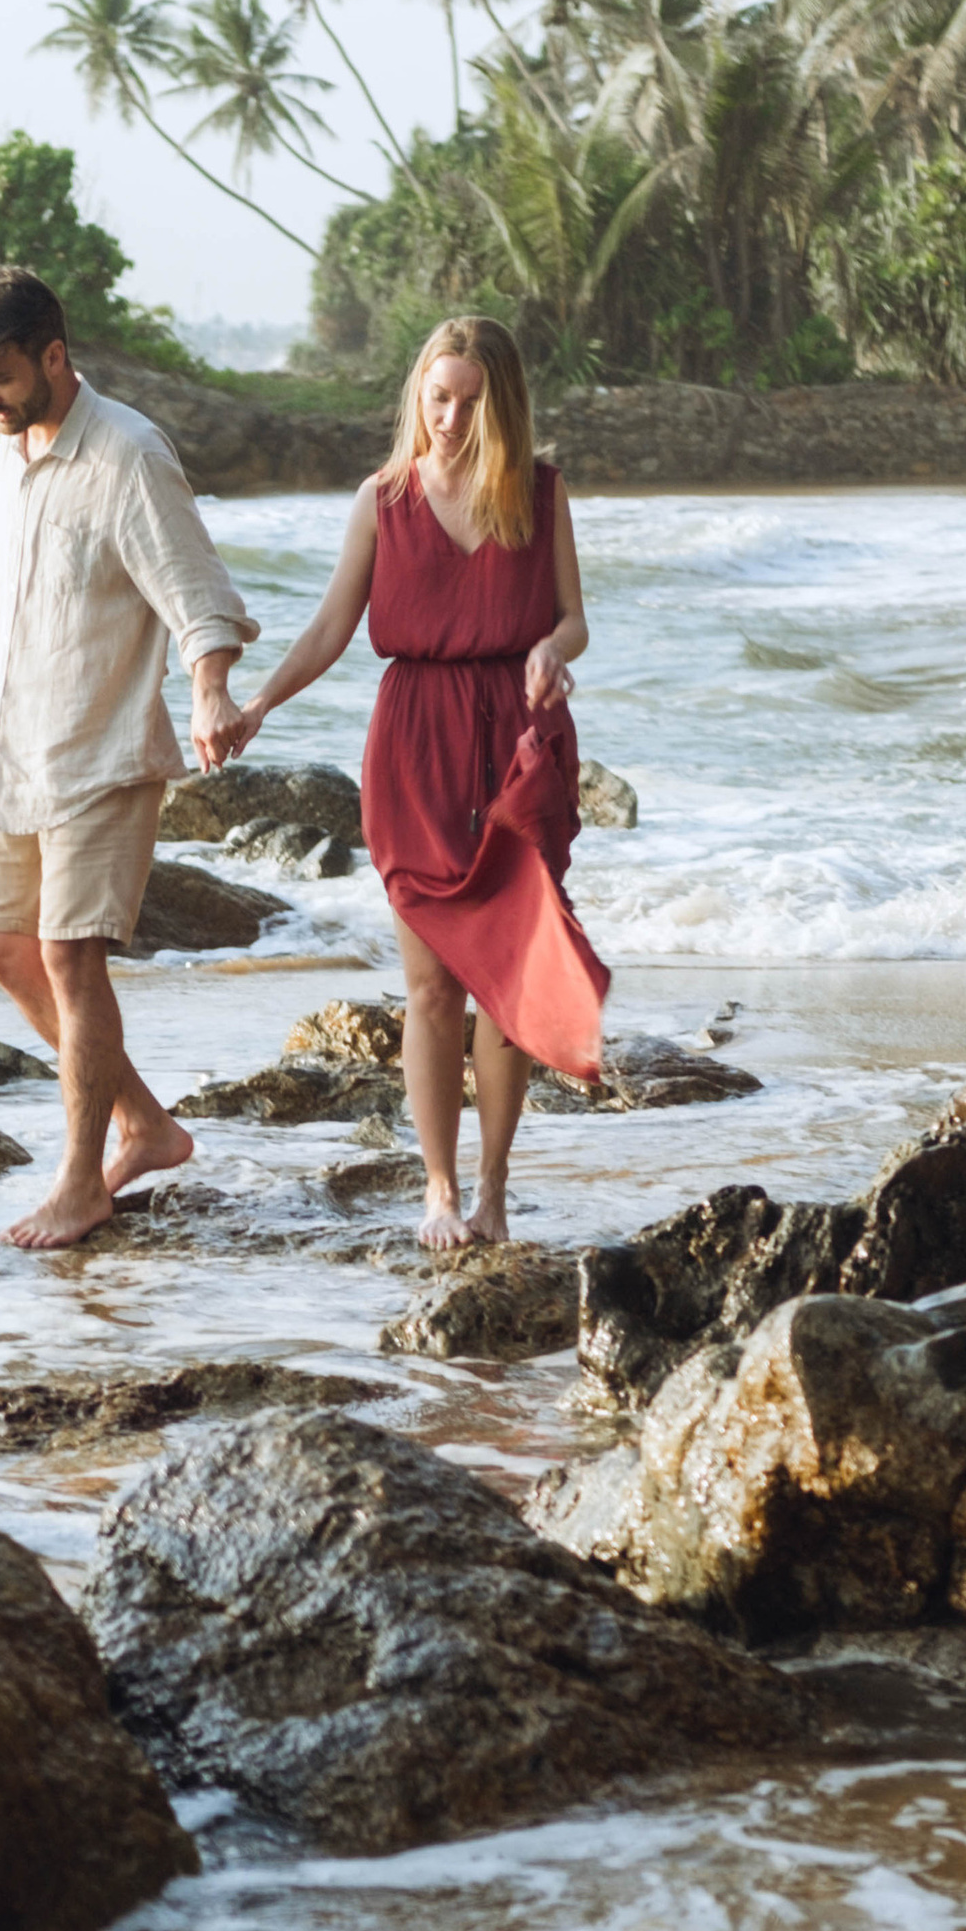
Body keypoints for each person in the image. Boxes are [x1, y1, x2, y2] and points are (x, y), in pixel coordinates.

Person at [224, 313, 606, 1248]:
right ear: (418, 396)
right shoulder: (383, 498)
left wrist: (552, 654)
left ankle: (493, 1191)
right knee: (432, 987)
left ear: (503, 405)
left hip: (518, 744)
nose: (451, 418)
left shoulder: (540, 493)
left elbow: (573, 620)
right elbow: (330, 627)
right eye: (438, 398)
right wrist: (259, 702)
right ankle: (438, 1189)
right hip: (414, 747)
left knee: (510, 981)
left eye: (471, 402)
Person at [0, 263, 258, 1249]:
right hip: (13, 744)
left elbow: (197, 593)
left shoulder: (128, 456)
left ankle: (80, 1182)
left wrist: (210, 690)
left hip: (100, 746)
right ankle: (148, 1129)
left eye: (0, 379)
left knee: (70, 959)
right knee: (3, 950)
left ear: (54, 357)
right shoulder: (8, 451)